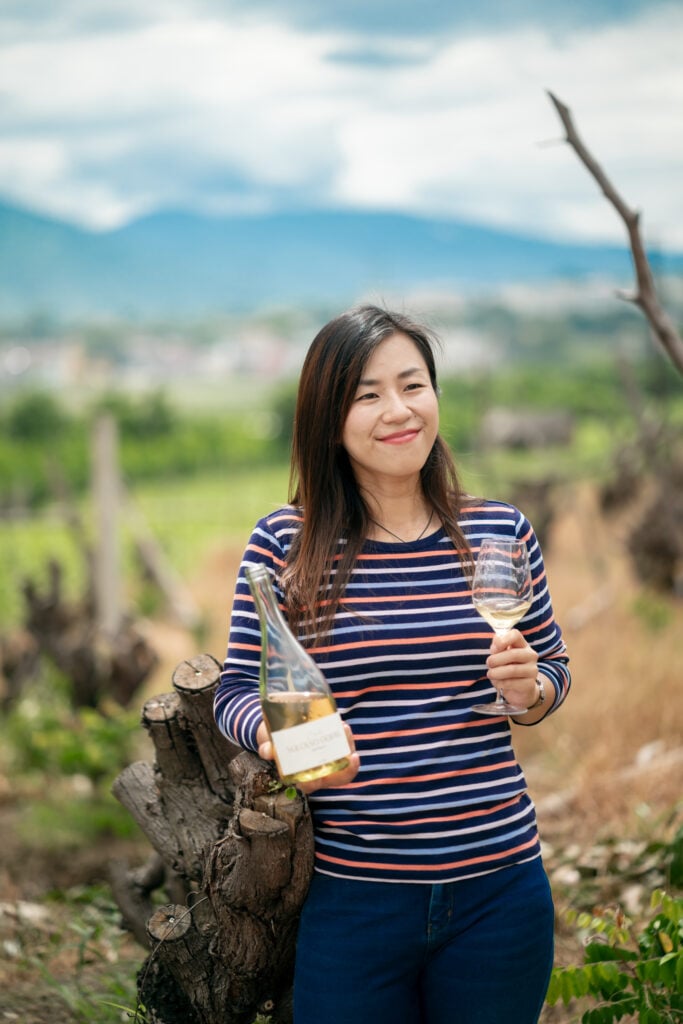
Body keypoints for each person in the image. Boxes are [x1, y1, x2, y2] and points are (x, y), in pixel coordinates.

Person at [214, 304, 571, 1024]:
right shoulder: (285, 544)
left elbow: (552, 671)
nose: (398, 411)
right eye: (367, 395)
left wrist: (528, 688)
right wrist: (285, 735)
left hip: (500, 891)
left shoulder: (498, 530)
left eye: (412, 385)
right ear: (328, 420)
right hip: (356, 899)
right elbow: (233, 692)